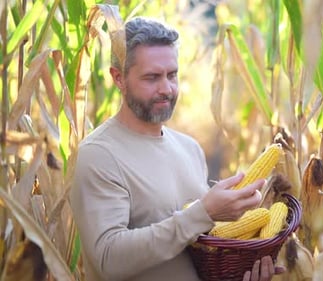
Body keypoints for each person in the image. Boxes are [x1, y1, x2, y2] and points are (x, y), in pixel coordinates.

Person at [69, 17, 284, 281]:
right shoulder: (99, 154)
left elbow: (198, 253)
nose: (166, 89)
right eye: (152, 77)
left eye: (172, 75)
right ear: (118, 78)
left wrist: (242, 269)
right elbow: (108, 258)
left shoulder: (189, 148)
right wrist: (203, 213)